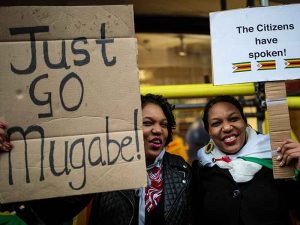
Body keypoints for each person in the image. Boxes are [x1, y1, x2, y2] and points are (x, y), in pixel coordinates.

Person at [0, 93, 192, 225]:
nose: (158, 130)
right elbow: (53, 211)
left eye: (164, 124)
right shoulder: (101, 165)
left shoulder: (182, 171)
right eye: (147, 123)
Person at [192, 95, 300, 225]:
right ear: (208, 131)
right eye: (216, 123)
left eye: (234, 119)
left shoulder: (278, 157)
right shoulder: (201, 169)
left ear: (245, 121)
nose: (226, 128)